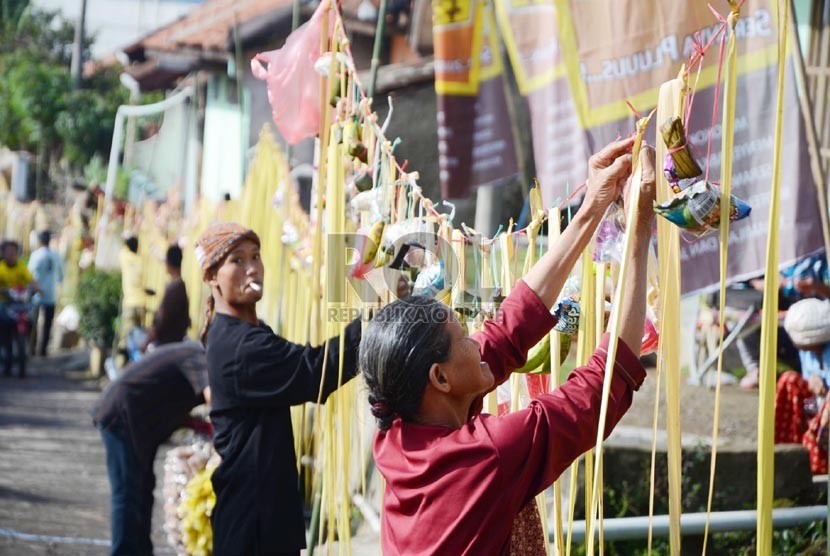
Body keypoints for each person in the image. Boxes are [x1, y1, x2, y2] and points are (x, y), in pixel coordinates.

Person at [360, 138, 654, 554]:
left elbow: (509, 328)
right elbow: (602, 387)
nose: (477, 341)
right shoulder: (487, 455)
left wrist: (592, 206)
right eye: (463, 338)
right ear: (440, 378)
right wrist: (640, 236)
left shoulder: (396, 432)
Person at [198, 222, 363, 555]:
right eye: (237, 260)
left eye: (256, 256)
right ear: (212, 276)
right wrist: (375, 319)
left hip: (259, 515)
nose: (252, 268)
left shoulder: (243, 332)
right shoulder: (241, 346)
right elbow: (314, 371)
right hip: (254, 525)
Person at [92, 341, 210, 556]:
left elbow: (169, 394)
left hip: (140, 423)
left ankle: (141, 551)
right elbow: (216, 400)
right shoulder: (201, 357)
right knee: (127, 494)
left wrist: (197, 424)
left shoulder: (194, 353)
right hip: (123, 417)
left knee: (143, 489)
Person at [774, 298, 830, 474]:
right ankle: (787, 447)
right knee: (788, 380)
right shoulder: (806, 353)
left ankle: (819, 463)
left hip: (826, 415)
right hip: (814, 405)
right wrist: (812, 379)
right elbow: (808, 377)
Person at [0, 240, 39, 377]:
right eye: (8, 252)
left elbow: (31, 281)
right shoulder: (1, 268)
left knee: (32, 317)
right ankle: (6, 361)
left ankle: (31, 346)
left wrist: (37, 288)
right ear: (3, 254)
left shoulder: (22, 267)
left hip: (20, 304)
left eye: (14, 252)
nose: (11, 255)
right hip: (5, 304)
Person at [143, 245, 190, 348]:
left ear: (168, 263)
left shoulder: (174, 290)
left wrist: (145, 344)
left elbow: (162, 322)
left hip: (166, 346)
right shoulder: (179, 287)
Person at [27, 230, 65, 356]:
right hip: (51, 294)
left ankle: (32, 347)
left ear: (40, 241)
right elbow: (61, 276)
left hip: (37, 294)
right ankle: (43, 349)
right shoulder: (56, 255)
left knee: (33, 322)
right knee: (47, 323)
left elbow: (29, 275)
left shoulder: (35, 255)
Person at [118, 236, 147, 365]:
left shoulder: (125, 257)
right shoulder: (140, 261)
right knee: (139, 336)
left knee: (125, 338)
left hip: (129, 303)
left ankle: (121, 365)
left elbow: (122, 245)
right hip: (142, 303)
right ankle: (135, 364)